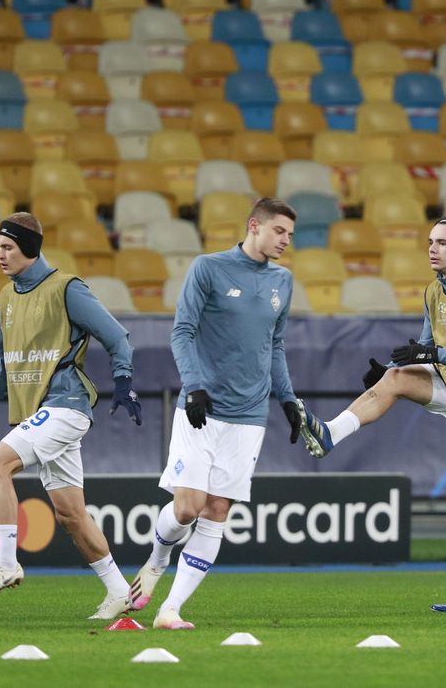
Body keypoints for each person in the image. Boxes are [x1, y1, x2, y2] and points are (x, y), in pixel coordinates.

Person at [297, 214, 446, 614]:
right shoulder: (433, 291)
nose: (432, 250)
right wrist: (391, 372)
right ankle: (329, 433)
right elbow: (424, 348)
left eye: (441, 243)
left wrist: (432, 355)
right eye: (429, 242)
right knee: (398, 377)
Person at [128, 198, 305, 630]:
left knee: (217, 510)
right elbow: (182, 330)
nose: (286, 241)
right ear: (254, 226)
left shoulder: (283, 280)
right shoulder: (208, 268)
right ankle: (156, 559)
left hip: (249, 415)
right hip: (203, 409)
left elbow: (275, 346)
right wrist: (194, 387)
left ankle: (171, 610)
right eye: (280, 231)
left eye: (290, 235)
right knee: (187, 508)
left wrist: (288, 399)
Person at [0, 212, 144, 619]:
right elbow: (5, 362)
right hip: (38, 410)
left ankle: (7, 563)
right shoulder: (5, 298)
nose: (0, 255)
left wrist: (123, 382)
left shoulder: (67, 288)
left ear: (28, 247)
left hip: (66, 406)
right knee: (70, 514)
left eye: (7, 247)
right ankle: (120, 592)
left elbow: (117, 337)